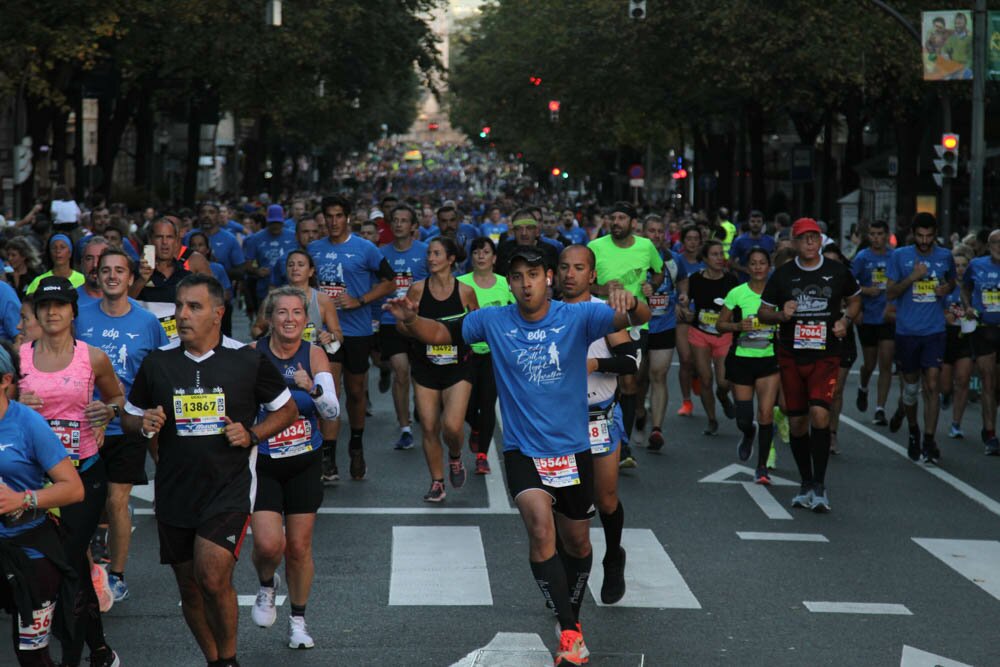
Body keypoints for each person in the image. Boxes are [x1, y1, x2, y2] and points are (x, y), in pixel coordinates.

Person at [384, 245, 649, 666]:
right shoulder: (494, 320)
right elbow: (442, 334)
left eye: (534, 274)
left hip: (574, 449)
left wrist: (631, 301)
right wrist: (412, 321)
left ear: (548, 279)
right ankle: (568, 631)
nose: (526, 283)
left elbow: (635, 320)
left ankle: (571, 619)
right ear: (509, 284)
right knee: (541, 529)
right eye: (518, 276)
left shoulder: (578, 317)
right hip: (524, 450)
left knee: (577, 543)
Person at [122, 274, 297, 667]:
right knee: (190, 587)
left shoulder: (246, 360)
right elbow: (130, 418)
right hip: (175, 490)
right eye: (180, 306)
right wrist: (144, 421)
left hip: (228, 488)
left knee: (213, 575)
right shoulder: (157, 363)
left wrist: (252, 434)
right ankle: (215, 660)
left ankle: (230, 659)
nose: (182, 315)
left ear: (218, 314)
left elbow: (287, 410)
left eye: (194, 307)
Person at [18, 277, 125, 667]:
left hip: (82, 475)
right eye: (44, 306)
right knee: (61, 567)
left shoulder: (92, 358)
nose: (51, 312)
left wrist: (108, 411)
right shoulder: (19, 357)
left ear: (72, 311)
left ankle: (70, 658)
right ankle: (99, 650)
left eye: (59, 305)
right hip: (32, 478)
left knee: (63, 565)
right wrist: (14, 401)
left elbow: (116, 396)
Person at [248, 288, 340, 649]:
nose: (289, 319)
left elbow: (332, 412)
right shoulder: (252, 354)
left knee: (299, 548)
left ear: (306, 319)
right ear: (270, 319)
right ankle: (267, 585)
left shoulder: (313, 354)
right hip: (265, 464)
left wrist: (312, 389)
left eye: (297, 313)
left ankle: (298, 621)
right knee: (270, 546)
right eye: (282, 313)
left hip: (304, 461)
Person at [76, 248, 168, 602]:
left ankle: (116, 575)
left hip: (128, 424)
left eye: (120, 271)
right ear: (97, 276)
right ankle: (83, 571)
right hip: (85, 425)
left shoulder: (147, 322)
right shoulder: (80, 319)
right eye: (106, 270)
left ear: (131, 278)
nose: (112, 276)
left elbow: (161, 370)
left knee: (117, 501)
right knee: (85, 503)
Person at [759, 218, 861, 513]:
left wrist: (845, 320)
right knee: (797, 421)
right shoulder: (782, 275)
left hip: (825, 354)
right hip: (791, 354)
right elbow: (763, 312)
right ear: (793, 242)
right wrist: (781, 315)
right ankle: (806, 483)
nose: (809, 243)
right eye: (803, 238)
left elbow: (855, 301)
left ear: (820, 241)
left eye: (814, 237)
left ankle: (819, 483)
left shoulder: (837, 271)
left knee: (820, 413)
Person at [558, 244, 638, 605]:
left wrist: (594, 366)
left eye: (578, 268)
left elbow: (630, 361)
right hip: (557, 421)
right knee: (562, 503)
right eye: (563, 267)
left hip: (599, 417)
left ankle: (613, 555)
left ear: (592, 275)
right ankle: (564, 576)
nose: (569, 274)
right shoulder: (547, 313)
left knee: (604, 500)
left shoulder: (602, 313)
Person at [0, 340, 84, 667]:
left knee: (32, 655)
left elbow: (73, 489)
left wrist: (24, 498)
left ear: (6, 380)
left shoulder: (28, 423)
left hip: (30, 552)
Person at [308, 195, 395, 481]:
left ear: (347, 218)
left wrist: (361, 300)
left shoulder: (365, 248)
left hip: (357, 332)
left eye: (338, 216)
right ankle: (328, 457)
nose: (333, 222)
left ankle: (356, 446)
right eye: (328, 216)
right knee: (330, 393)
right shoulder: (314, 250)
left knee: (357, 393)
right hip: (325, 334)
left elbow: (390, 281)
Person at [401, 237, 478, 502]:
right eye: (429, 254)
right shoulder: (417, 291)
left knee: (453, 427)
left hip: (459, 366)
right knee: (430, 426)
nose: (430, 258)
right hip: (425, 367)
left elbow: (477, 325)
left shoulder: (466, 291)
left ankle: (455, 457)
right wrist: (413, 325)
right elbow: (403, 324)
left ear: (451, 259)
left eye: (436, 254)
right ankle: (437, 481)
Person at [588, 202, 663, 466]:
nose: (616, 222)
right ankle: (599, 434)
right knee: (607, 381)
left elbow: (659, 272)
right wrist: (600, 288)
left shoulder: (646, 247)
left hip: (634, 324)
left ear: (632, 222)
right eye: (613, 217)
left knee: (629, 381)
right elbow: (583, 282)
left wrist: (651, 285)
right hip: (602, 321)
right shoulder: (595, 248)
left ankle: (625, 446)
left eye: (622, 218)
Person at [886, 213, 955, 463]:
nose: (924, 241)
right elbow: (890, 293)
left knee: (933, 384)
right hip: (907, 332)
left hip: (934, 331)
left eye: (929, 236)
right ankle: (913, 430)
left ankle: (929, 439)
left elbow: (952, 284)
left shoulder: (945, 256)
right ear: (913, 234)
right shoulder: (899, 256)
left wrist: (946, 289)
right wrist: (913, 278)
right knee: (911, 389)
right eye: (920, 236)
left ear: (935, 233)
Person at [717, 247, 779, 483]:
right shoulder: (737, 293)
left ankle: (761, 467)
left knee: (765, 413)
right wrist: (738, 327)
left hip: (769, 360)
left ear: (769, 266)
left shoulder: (777, 293)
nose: (757, 267)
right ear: (747, 266)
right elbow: (721, 325)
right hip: (741, 360)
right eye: (753, 263)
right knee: (744, 418)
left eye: (762, 263)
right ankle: (748, 432)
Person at [457, 237, 513, 474]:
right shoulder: (460, 282)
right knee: (466, 407)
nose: (481, 256)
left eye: (486, 251)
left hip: (494, 354)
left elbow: (515, 313)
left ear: (494, 258)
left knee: (487, 403)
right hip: (466, 352)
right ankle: (476, 428)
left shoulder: (505, 284)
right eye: (476, 251)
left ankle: (482, 455)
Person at [378, 204, 428, 451]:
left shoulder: (426, 252)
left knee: (419, 374)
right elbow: (375, 284)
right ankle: (405, 428)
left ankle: (422, 408)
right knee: (400, 372)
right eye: (395, 220)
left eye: (404, 220)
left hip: (419, 321)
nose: (398, 224)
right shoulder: (380, 253)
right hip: (390, 321)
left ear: (413, 227)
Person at [636, 215, 688, 450]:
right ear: (643, 233)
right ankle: (638, 412)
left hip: (664, 325)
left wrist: (683, 296)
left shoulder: (673, 259)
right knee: (638, 378)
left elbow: (683, 281)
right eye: (651, 231)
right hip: (638, 325)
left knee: (658, 374)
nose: (656, 235)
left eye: (660, 231)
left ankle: (656, 429)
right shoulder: (635, 257)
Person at [682, 239, 739, 435]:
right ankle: (712, 419)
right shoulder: (696, 280)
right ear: (705, 258)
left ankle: (722, 396)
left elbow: (738, 307)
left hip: (724, 334)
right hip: (700, 334)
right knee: (705, 379)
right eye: (714, 254)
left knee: (724, 382)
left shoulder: (731, 280)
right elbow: (686, 303)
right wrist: (686, 311)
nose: (719, 258)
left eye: (721, 254)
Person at [130, 217, 211, 343]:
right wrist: (142, 280)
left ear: (176, 241)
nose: (164, 242)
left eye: (169, 237)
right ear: (150, 240)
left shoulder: (187, 277)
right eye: (159, 237)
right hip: (142, 342)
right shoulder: (134, 271)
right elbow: (122, 304)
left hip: (177, 348)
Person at [852, 220, 896, 425]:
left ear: (887, 234)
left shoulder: (894, 257)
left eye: (879, 233)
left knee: (886, 362)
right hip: (867, 316)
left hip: (888, 316)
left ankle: (880, 408)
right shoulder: (862, 258)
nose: (876, 237)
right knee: (869, 364)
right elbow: (850, 285)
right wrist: (863, 296)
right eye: (872, 233)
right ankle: (863, 387)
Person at [961, 229, 1000, 456]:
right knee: (987, 380)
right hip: (985, 330)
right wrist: (967, 306)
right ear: (988, 245)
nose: (999, 246)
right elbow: (965, 286)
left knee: (997, 386)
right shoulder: (977, 265)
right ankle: (990, 432)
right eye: (995, 242)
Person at [822, 245, 860, 455]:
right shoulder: (813, 280)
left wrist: (846, 314)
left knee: (835, 391)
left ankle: (832, 433)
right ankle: (815, 428)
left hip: (842, 339)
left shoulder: (848, 283)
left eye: (834, 262)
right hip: (816, 338)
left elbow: (858, 315)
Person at [942, 250, 973, 440]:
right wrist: (945, 315)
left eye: (963, 265)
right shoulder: (946, 286)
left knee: (962, 380)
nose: (960, 269)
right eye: (957, 265)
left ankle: (956, 424)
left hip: (967, 335)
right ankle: (945, 394)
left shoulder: (973, 287)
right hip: (946, 336)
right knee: (945, 385)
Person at [675, 224, 705, 417]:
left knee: (698, 363)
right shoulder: (676, 260)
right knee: (685, 359)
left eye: (696, 239)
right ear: (683, 241)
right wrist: (678, 306)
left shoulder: (708, 261)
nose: (692, 242)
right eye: (689, 239)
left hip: (703, 318)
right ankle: (686, 402)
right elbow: (670, 288)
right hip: (683, 317)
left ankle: (696, 376)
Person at [729, 211, 775, 281]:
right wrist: (746, 270)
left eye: (758, 221)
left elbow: (772, 260)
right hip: (745, 282)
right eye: (753, 221)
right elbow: (731, 262)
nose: (755, 224)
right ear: (748, 223)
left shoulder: (770, 240)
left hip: (765, 282)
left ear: (763, 224)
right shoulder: (739, 241)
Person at [76, 236, 110, 309]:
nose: (95, 265)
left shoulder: (124, 304)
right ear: (82, 263)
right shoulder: (70, 301)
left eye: (100, 258)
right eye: (89, 259)